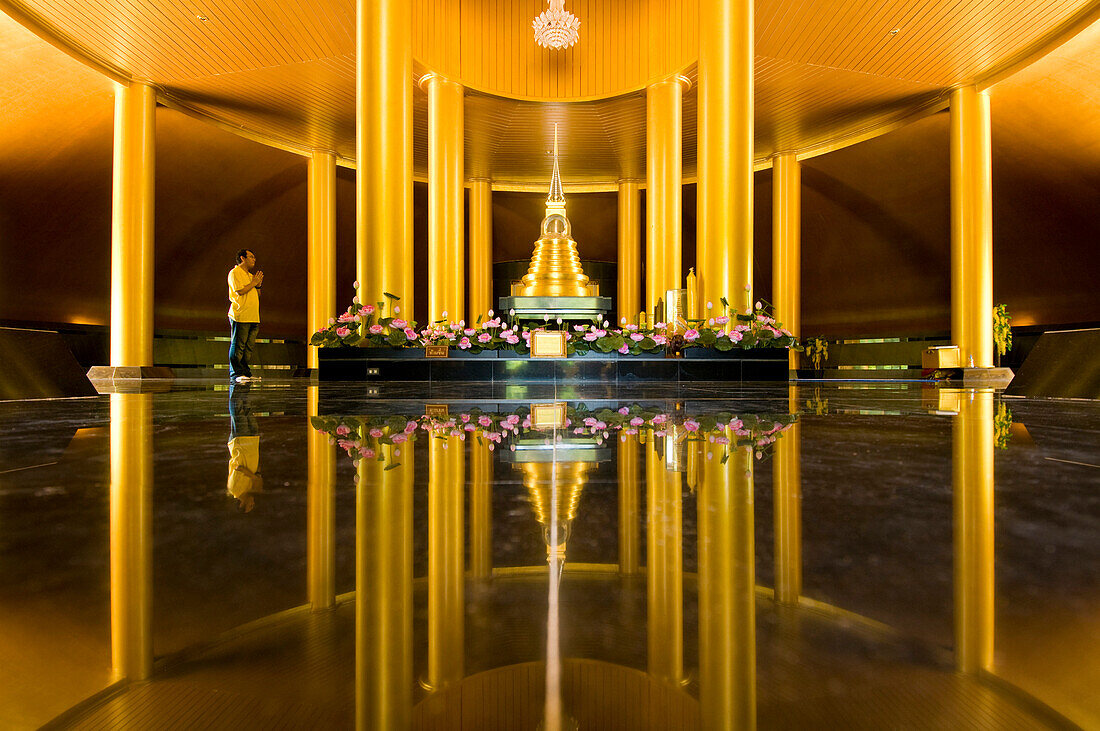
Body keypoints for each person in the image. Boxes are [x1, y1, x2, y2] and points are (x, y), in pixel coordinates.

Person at [228, 249, 263, 383]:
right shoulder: (235, 272)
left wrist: (258, 286)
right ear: (242, 258)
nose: (254, 259)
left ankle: (245, 372)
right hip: (241, 315)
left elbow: (257, 295)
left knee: (248, 347)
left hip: (253, 316)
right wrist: (254, 283)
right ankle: (236, 374)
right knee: (238, 345)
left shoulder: (250, 276)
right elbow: (240, 291)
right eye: (251, 257)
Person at [227, 380, 263, 512]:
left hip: (241, 443)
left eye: (250, 505)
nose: (253, 503)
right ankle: (245, 388)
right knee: (247, 410)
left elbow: (238, 468)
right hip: (252, 443)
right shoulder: (249, 490)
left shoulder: (234, 489)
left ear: (242, 504)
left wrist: (254, 477)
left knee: (238, 412)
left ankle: (236, 386)